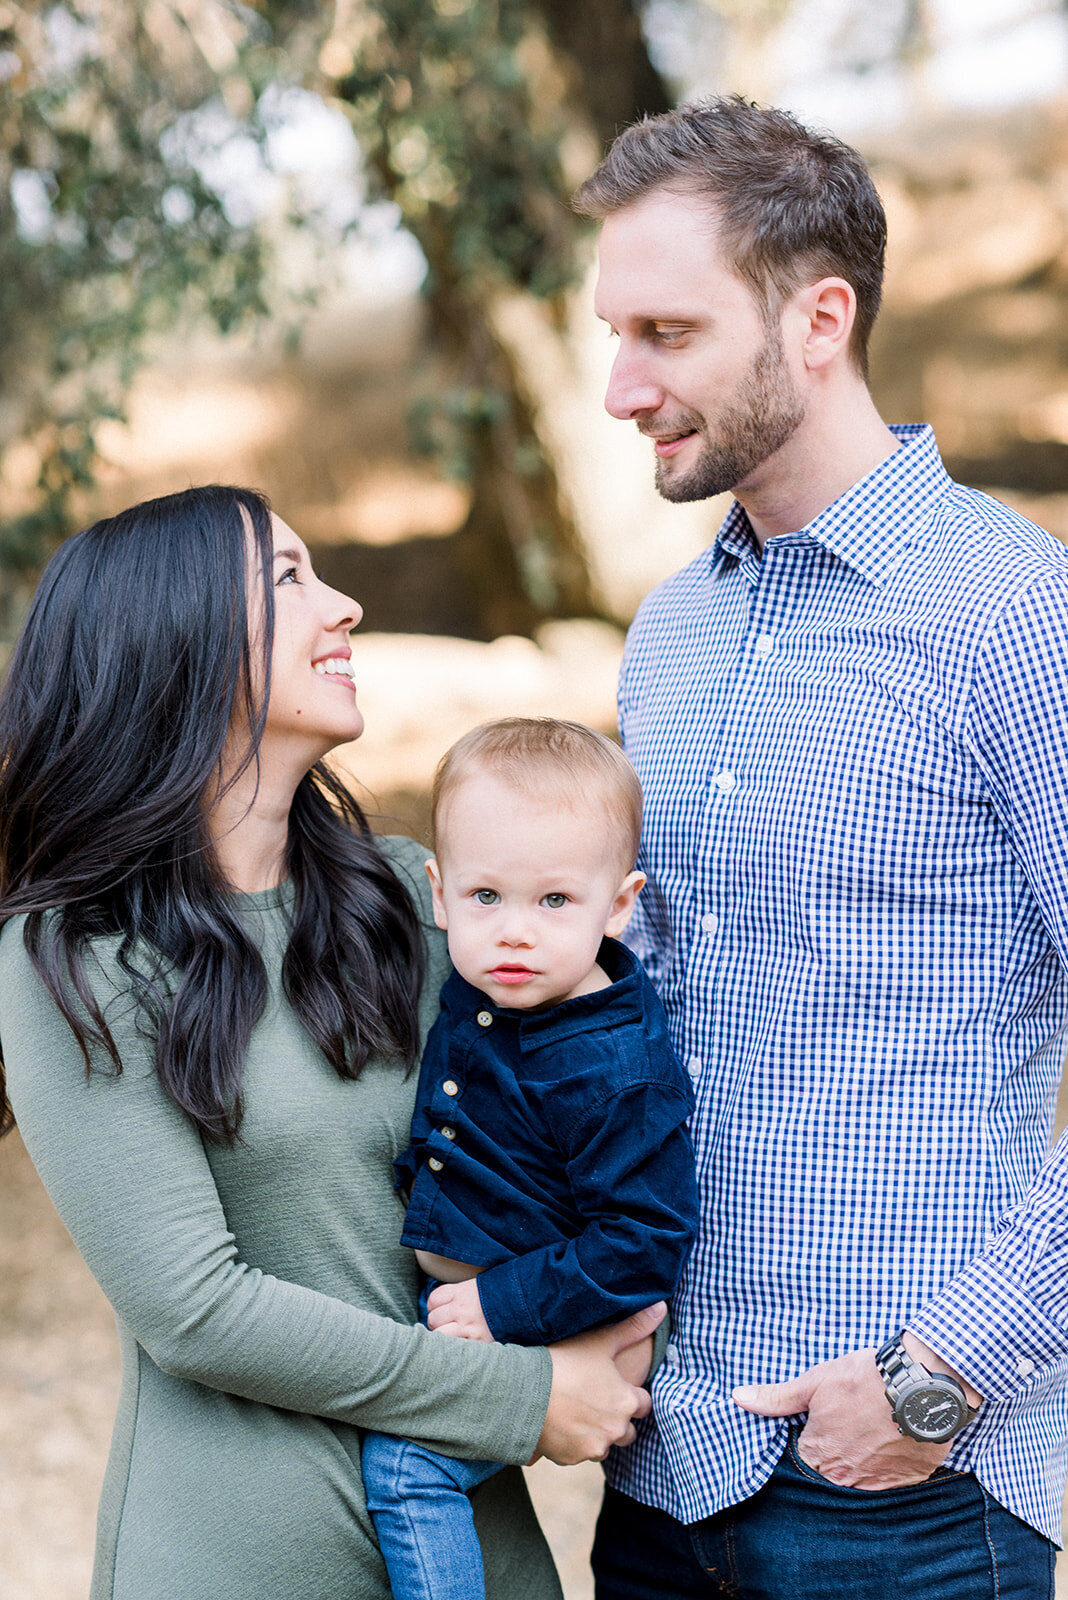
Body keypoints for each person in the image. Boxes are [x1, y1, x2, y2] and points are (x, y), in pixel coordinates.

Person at [570, 95, 1068, 1599]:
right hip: (661, 1479)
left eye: (665, 332)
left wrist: (937, 1374)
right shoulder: (669, 632)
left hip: (907, 1492)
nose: (617, 385)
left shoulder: (1016, 615)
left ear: (819, 320)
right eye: (614, 331)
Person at [0, 485, 663, 1600]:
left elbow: (588, 1110)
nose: (346, 605)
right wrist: (526, 1396)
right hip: (246, 1560)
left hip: (476, 1550)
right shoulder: (73, 956)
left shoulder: (414, 899)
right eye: (292, 578)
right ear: (177, 636)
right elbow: (195, 1309)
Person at [360, 717, 699, 1600]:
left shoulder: (612, 1068)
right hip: (487, 1307)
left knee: (406, 1470)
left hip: (566, 1318)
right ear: (438, 894)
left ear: (618, 906)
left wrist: (501, 1306)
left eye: (554, 902)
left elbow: (642, 1238)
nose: (514, 933)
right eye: (485, 897)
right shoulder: (490, 993)